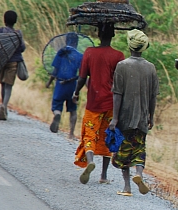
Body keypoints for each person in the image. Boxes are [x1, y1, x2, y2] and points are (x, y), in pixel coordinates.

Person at [109, 30, 159, 197]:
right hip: (142, 118)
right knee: (139, 149)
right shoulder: (151, 68)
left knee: (123, 153)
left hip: (125, 118)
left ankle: (127, 187)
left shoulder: (122, 66)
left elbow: (117, 94)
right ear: (143, 47)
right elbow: (153, 96)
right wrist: (151, 116)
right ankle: (139, 173)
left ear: (129, 46)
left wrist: (115, 118)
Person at [73, 23, 124, 185]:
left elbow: (82, 78)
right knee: (106, 136)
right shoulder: (118, 56)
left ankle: (89, 161)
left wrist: (76, 92)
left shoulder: (89, 52)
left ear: (98, 35)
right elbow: (119, 83)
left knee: (90, 133)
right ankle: (103, 176)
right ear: (113, 35)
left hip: (93, 102)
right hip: (111, 104)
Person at [46, 33, 83, 138]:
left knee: (57, 105)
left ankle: (57, 114)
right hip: (72, 86)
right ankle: (71, 133)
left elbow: (55, 70)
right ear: (76, 43)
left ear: (66, 41)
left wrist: (49, 82)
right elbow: (82, 75)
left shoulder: (61, 52)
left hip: (60, 84)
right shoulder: (80, 56)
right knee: (73, 109)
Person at [0, 10, 25, 120]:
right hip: (13, 62)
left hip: (2, 62)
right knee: (8, 85)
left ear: (4, 20)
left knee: (2, 83)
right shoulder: (17, 34)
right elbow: (22, 48)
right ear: (15, 21)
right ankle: (4, 106)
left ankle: (3, 105)